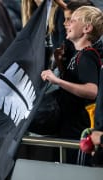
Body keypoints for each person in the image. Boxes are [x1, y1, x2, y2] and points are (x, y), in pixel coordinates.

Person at [41, 5, 103, 164]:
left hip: (77, 136)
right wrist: (61, 68)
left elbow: (92, 90)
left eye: (73, 20)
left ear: (87, 28)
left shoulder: (87, 56)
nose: (66, 24)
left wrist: (57, 81)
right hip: (68, 130)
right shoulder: (78, 56)